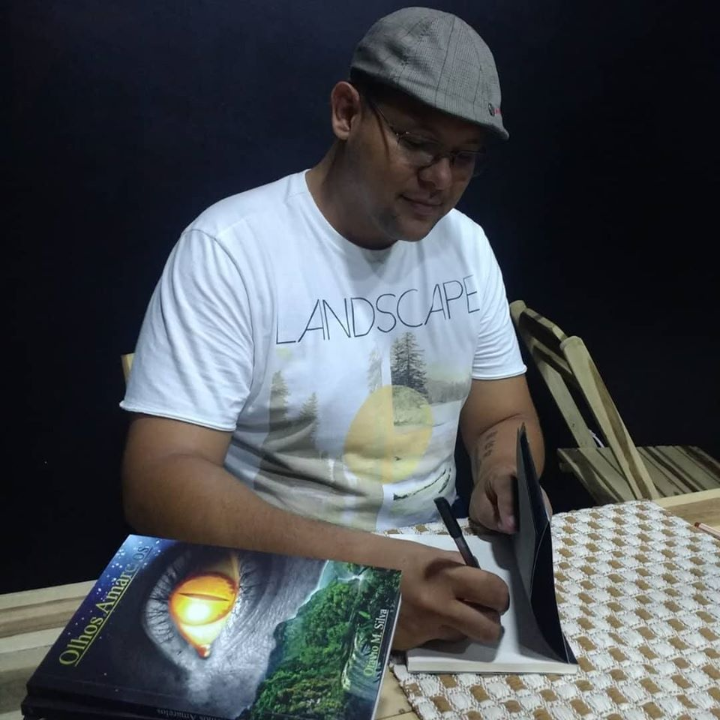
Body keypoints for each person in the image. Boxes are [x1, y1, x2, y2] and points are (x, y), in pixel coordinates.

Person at [120, 6, 547, 651]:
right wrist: (370, 574)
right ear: (346, 112)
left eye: (463, 157)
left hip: (438, 576)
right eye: (418, 143)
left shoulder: (466, 247)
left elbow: (502, 417)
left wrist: (504, 474)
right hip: (275, 588)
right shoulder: (231, 249)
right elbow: (159, 480)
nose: (440, 179)